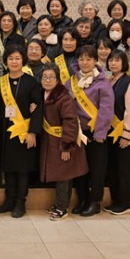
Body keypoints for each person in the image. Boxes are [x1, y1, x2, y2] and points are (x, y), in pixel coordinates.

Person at [0, 46, 43, 218]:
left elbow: (38, 108)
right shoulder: (0, 82)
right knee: (8, 168)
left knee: (22, 170)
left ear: (23, 61)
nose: (14, 62)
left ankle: (20, 203)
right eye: (10, 58)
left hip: (24, 133)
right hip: (6, 132)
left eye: (17, 58)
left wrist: (33, 132)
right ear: (5, 61)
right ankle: (9, 201)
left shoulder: (31, 82)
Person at [67, 45, 115, 217]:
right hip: (78, 133)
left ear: (95, 61)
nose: (85, 62)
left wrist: (100, 133)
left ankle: (95, 202)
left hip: (96, 133)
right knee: (79, 168)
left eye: (88, 59)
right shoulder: (71, 81)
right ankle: (83, 200)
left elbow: (106, 110)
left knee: (97, 169)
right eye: (81, 59)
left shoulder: (103, 83)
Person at [39, 64, 87, 220]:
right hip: (50, 141)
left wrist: (66, 146)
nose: (47, 80)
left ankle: (62, 208)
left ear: (58, 79)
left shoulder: (64, 97)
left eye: (51, 77)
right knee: (60, 174)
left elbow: (70, 122)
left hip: (63, 142)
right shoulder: (42, 94)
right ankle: (60, 204)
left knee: (63, 176)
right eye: (44, 77)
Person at [104, 49, 130, 214]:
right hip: (109, 132)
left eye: (117, 60)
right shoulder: (108, 80)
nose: (113, 63)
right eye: (111, 60)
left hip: (122, 133)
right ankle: (115, 201)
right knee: (113, 169)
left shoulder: (128, 83)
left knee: (123, 169)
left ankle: (125, 203)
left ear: (124, 63)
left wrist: (127, 134)